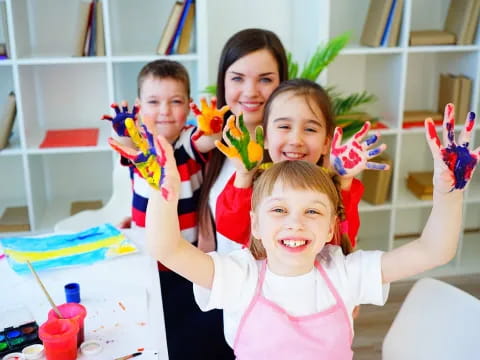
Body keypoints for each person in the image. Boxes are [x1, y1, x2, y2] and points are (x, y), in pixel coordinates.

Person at [145, 103, 479, 359]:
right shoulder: (239, 276)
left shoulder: (346, 272)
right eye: (279, 210)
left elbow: (435, 250)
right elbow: (167, 249)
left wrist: (449, 193)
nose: (295, 222)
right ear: (256, 224)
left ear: (332, 224)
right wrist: (165, 193)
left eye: (312, 211)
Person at [102, 59, 234, 359]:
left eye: (175, 101)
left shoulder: (186, 141)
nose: (164, 110)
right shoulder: (139, 146)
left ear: (188, 106)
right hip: (147, 255)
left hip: (186, 255)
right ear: (138, 107)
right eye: (153, 101)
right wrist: (124, 125)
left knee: (189, 324)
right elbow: (125, 141)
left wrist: (212, 125)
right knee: (154, 325)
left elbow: (207, 140)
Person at [215, 78, 386, 252]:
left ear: (326, 142)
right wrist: (244, 175)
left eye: (310, 129)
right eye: (284, 126)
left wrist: (344, 180)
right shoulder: (256, 180)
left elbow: (342, 240)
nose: (296, 140)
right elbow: (230, 229)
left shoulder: (332, 185)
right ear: (265, 137)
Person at [196, 28, 289, 254]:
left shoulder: (291, 148)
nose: (250, 92)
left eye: (265, 79)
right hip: (221, 277)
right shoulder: (210, 142)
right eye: (238, 78)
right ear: (224, 82)